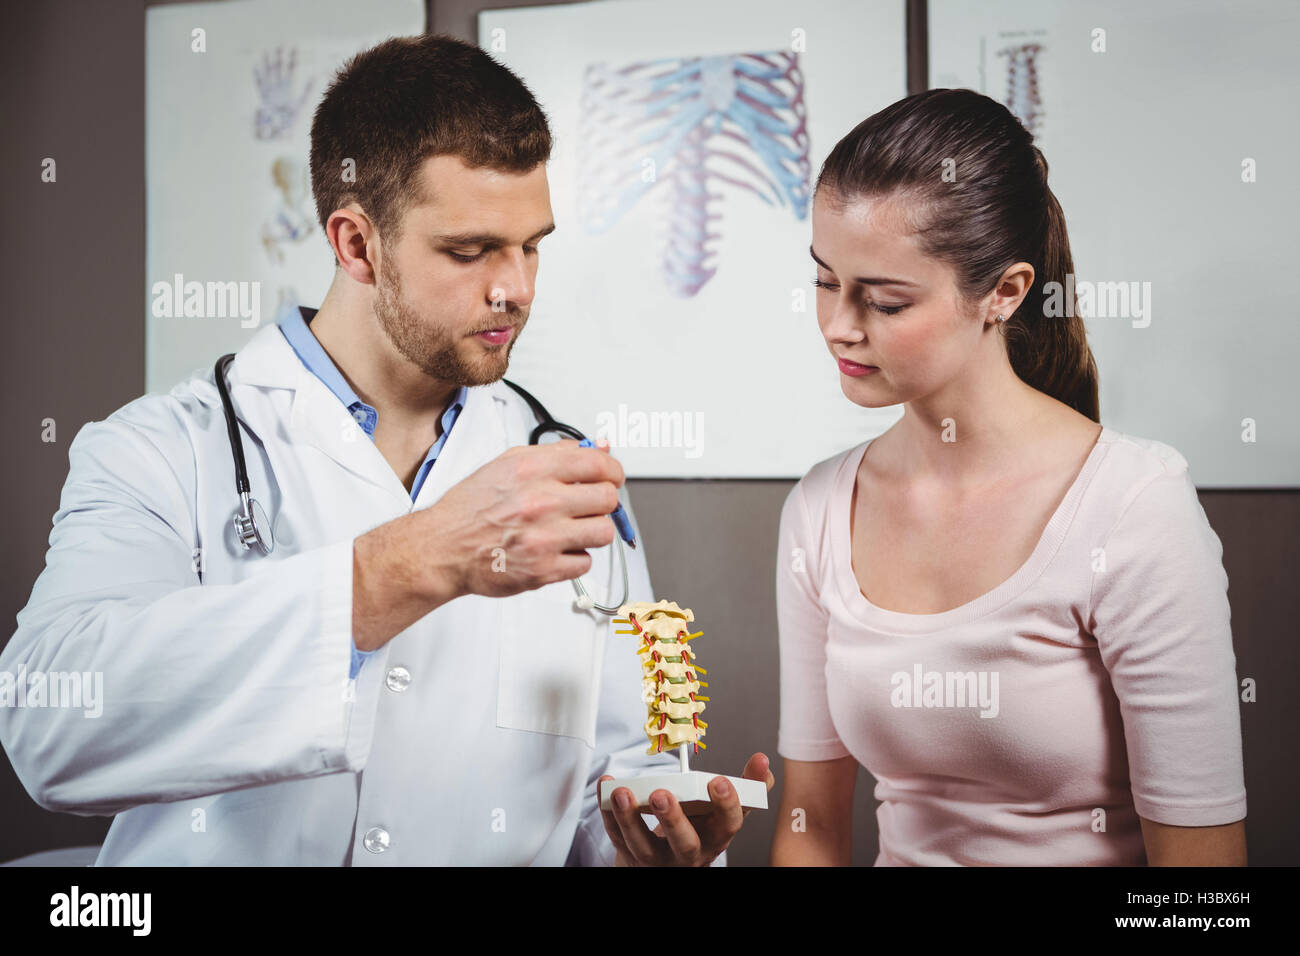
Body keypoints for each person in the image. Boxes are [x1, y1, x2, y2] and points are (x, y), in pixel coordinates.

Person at [0, 33, 770, 866]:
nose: (515, 287)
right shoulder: (159, 449)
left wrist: (644, 844)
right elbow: (52, 728)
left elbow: (606, 780)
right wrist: (412, 561)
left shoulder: (565, 469)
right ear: (356, 244)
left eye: (532, 244)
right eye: (470, 251)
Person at [771, 89, 1246, 866]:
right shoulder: (821, 508)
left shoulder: (1133, 507)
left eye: (885, 300)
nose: (838, 325)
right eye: (826, 281)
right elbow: (811, 829)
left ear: (1006, 292)